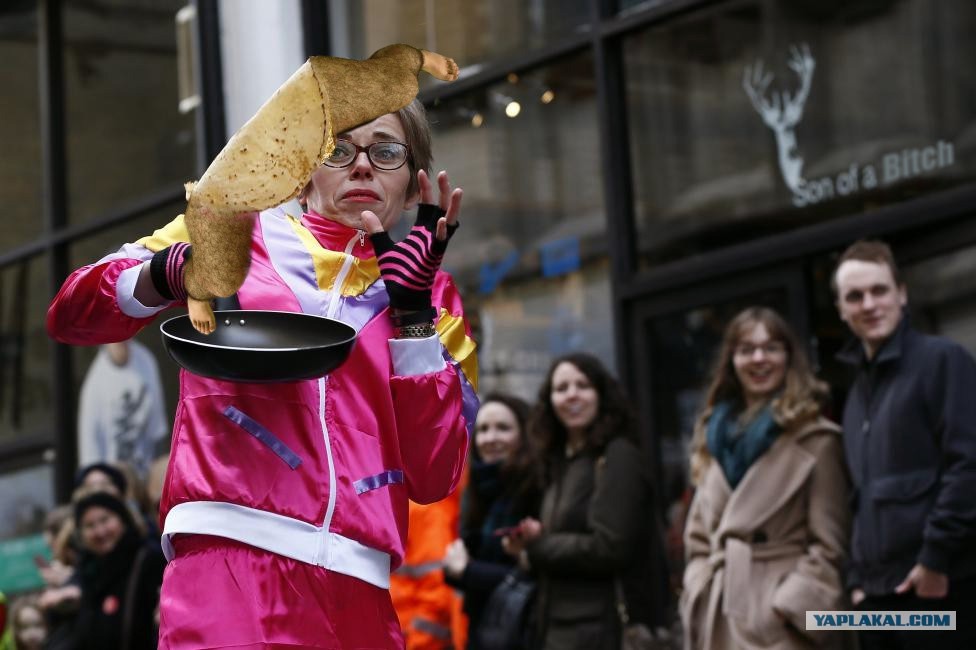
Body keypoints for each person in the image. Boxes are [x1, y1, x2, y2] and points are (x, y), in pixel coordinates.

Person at [47, 96, 477, 648]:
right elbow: (72, 315)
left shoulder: (436, 299)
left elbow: (434, 475)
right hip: (229, 560)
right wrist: (165, 273)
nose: (362, 166)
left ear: (415, 184)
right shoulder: (236, 232)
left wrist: (413, 318)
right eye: (338, 149)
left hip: (360, 586)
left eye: (386, 151)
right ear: (303, 171)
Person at [679, 306, 850, 650]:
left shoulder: (815, 439)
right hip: (719, 614)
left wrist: (791, 605)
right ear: (732, 361)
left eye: (771, 347)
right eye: (746, 350)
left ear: (788, 357)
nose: (759, 359)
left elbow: (830, 545)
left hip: (781, 622)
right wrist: (697, 588)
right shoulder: (712, 437)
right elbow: (698, 539)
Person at [833, 240, 976, 648]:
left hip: (938, 588)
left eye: (879, 290)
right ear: (841, 310)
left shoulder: (942, 360)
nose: (869, 304)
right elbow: (861, 497)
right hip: (879, 599)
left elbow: (969, 465)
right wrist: (857, 583)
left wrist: (935, 559)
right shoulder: (857, 395)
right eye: (854, 296)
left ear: (902, 294)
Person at [502, 353, 660, 650]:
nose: (572, 395)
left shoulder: (617, 455)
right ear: (550, 401)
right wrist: (531, 543)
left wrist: (537, 547)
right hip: (558, 629)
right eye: (561, 388)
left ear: (601, 395)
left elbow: (610, 546)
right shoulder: (560, 462)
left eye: (583, 385)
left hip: (602, 631)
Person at [443, 393, 541, 647]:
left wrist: (467, 571)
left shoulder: (539, 486)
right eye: (484, 429)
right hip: (482, 629)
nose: (491, 438)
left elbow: (536, 578)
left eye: (503, 428)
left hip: (525, 633)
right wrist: (457, 569)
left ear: (524, 435)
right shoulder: (476, 488)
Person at [52, 490, 166, 650]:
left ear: (122, 519)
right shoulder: (87, 572)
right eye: (89, 525)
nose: (100, 531)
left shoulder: (148, 560)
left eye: (105, 520)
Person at [77, 339, 168, 478]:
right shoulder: (94, 384)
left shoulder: (145, 360)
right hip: (114, 480)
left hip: (147, 473)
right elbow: (90, 456)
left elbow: (157, 430)